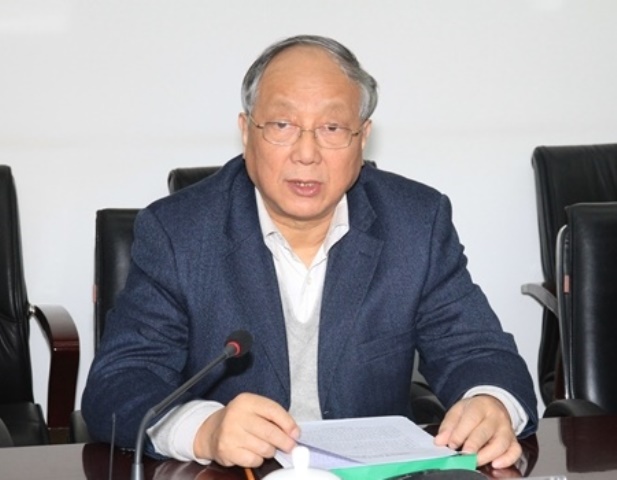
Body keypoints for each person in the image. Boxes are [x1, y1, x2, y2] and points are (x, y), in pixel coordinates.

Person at [82, 34, 537, 471]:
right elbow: (120, 381)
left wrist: (490, 401)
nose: (306, 153)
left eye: (332, 128)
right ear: (246, 132)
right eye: (282, 126)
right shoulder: (179, 232)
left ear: (362, 137)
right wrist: (204, 429)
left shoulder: (415, 223)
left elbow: (477, 349)